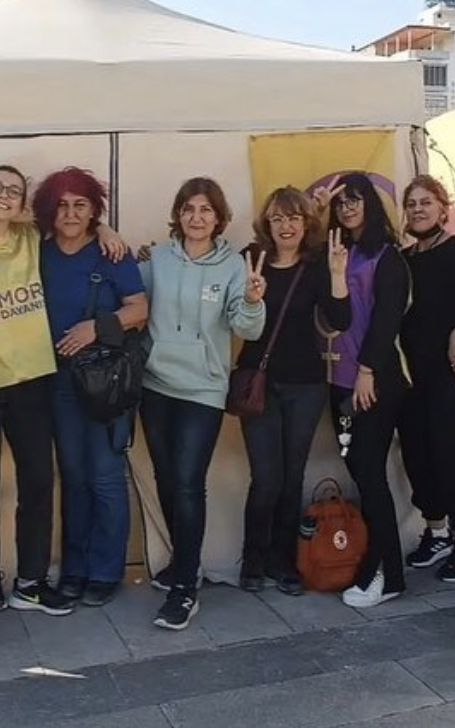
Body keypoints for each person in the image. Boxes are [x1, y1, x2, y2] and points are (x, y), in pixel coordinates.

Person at [0, 164, 123, 614]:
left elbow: (78, 220)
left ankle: (30, 581)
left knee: (37, 485)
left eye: (13, 190)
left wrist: (104, 225)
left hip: (34, 382)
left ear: (25, 203)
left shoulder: (34, 239)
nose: (4, 196)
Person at [141, 176, 266, 630]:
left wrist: (253, 301)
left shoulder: (234, 265)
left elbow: (246, 329)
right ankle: (184, 563)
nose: (197, 218)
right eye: (189, 209)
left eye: (206, 210)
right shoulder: (156, 259)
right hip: (155, 384)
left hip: (203, 390)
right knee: (166, 479)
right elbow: (133, 302)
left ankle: (185, 589)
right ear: (177, 214)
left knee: (189, 481)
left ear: (219, 218)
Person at [34, 168, 148, 608]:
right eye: (61, 204)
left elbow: (139, 309)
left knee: (104, 477)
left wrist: (94, 328)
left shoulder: (111, 255)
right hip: (58, 382)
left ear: (93, 209)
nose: (70, 212)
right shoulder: (39, 253)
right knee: (74, 476)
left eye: (80, 204)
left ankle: (105, 571)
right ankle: (75, 568)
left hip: (105, 384)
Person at [234, 187, 347, 597]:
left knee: (292, 477)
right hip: (257, 382)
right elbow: (231, 316)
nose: (286, 226)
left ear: (306, 223)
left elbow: (341, 320)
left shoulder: (317, 266)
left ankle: (284, 564)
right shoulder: (250, 257)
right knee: (265, 478)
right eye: (278, 218)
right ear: (267, 223)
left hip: (305, 384)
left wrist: (337, 277)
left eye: (294, 218)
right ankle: (252, 560)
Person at [321, 173, 410, 609]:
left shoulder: (387, 256)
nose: (347, 208)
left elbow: (387, 318)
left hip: (374, 382)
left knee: (371, 476)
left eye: (355, 200)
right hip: (337, 382)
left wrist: (368, 370)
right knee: (359, 471)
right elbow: (337, 319)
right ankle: (379, 564)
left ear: (370, 204)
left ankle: (387, 572)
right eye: (340, 203)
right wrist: (336, 274)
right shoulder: (337, 253)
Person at [397, 175, 455, 584]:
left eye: (425, 202)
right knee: (417, 455)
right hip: (412, 375)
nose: (417, 209)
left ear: (443, 208)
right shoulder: (406, 258)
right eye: (411, 203)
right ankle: (437, 532)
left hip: (451, 373)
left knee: (449, 456)